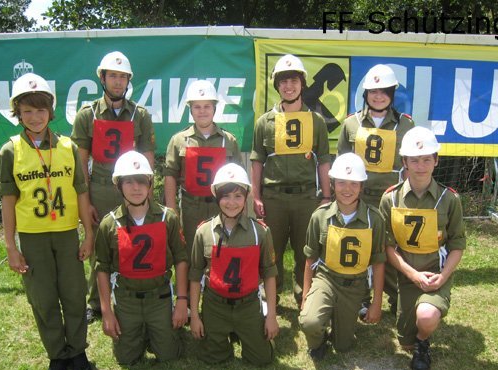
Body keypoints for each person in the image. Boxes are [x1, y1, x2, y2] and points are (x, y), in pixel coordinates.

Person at [0, 73, 93, 370]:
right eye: (27, 111)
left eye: (40, 110)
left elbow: (81, 192)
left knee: (74, 294)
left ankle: (77, 350)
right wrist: (11, 246)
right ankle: (57, 355)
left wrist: (88, 233)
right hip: (32, 237)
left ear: (51, 111)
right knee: (43, 297)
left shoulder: (68, 146)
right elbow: (8, 201)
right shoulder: (9, 151)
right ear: (17, 113)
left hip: (66, 233)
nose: (35, 117)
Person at [72, 51, 156, 323]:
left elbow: (148, 158)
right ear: (103, 78)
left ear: (129, 80)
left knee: (131, 243)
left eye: (123, 77)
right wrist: (86, 201)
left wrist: (148, 194)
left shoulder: (140, 115)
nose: (118, 82)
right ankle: (96, 302)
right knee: (99, 247)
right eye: (113, 76)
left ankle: (128, 296)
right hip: (100, 188)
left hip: (132, 188)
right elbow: (80, 163)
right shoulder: (87, 115)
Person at [379, 126, 466, 370]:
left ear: (436, 161)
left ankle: (423, 342)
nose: (420, 166)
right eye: (414, 160)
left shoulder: (449, 200)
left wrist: (443, 277)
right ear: (404, 162)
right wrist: (413, 275)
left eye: (427, 159)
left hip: (436, 273)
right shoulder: (390, 199)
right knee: (403, 342)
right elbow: (388, 247)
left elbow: (457, 244)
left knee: (426, 318)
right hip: (407, 276)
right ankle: (414, 328)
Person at [250, 54, 332, 307]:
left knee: (305, 249)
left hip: (306, 198)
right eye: (283, 81)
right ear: (277, 85)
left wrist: (327, 196)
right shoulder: (264, 122)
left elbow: (324, 161)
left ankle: (303, 295)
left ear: (302, 84)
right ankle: (270, 298)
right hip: (273, 198)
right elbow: (257, 161)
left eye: (294, 81)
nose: (289, 86)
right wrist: (256, 196)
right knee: (271, 251)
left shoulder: (317, 121)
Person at [94, 151, 188, 365]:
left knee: (169, 356)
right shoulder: (109, 224)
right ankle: (141, 332)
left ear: (150, 183)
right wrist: (107, 312)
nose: (136, 188)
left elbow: (181, 259)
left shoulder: (167, 218)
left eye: (141, 181)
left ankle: (157, 331)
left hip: (159, 297)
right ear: (118, 186)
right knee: (126, 359)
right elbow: (102, 268)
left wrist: (182, 301)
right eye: (129, 182)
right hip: (127, 300)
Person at [336, 64, 415, 314]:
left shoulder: (405, 125)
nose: (378, 96)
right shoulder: (351, 123)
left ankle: (394, 298)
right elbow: (342, 162)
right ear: (366, 94)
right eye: (373, 91)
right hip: (358, 198)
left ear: (391, 94)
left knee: (390, 248)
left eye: (383, 91)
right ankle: (361, 297)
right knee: (359, 246)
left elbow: (409, 164)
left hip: (390, 199)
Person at [189, 163, 279, 365]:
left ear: (246, 197)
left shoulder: (260, 232)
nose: (231, 202)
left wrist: (271, 316)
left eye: (238, 196)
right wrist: (194, 316)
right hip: (215, 305)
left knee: (261, 359)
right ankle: (226, 333)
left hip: (248, 305)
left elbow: (269, 274)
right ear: (217, 197)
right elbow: (195, 275)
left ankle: (250, 327)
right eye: (226, 196)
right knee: (213, 358)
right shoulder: (204, 232)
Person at [299, 153, 386, 360]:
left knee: (343, 346)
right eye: (341, 183)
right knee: (309, 322)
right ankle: (319, 338)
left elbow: (378, 263)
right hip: (326, 279)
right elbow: (310, 259)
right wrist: (305, 296)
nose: (347, 189)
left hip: (355, 285)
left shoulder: (374, 219)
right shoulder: (320, 216)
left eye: (354, 183)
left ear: (361, 186)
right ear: (332, 184)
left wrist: (377, 302)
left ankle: (341, 316)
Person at [164, 79, 243, 255]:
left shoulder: (229, 140)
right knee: (190, 253)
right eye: (197, 107)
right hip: (190, 208)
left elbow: (239, 181)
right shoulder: (179, 140)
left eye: (207, 106)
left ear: (214, 108)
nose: (202, 111)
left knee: (221, 252)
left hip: (221, 207)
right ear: (190, 110)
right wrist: (172, 211)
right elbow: (170, 176)